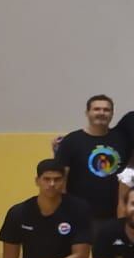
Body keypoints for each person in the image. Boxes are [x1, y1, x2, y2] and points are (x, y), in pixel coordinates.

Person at [52, 94, 125, 239]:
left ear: (112, 114)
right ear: (87, 113)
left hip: (114, 213)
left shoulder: (122, 139)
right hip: (79, 213)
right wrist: (64, 208)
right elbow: (62, 177)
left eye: (106, 110)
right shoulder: (71, 141)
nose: (101, 113)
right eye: (96, 109)